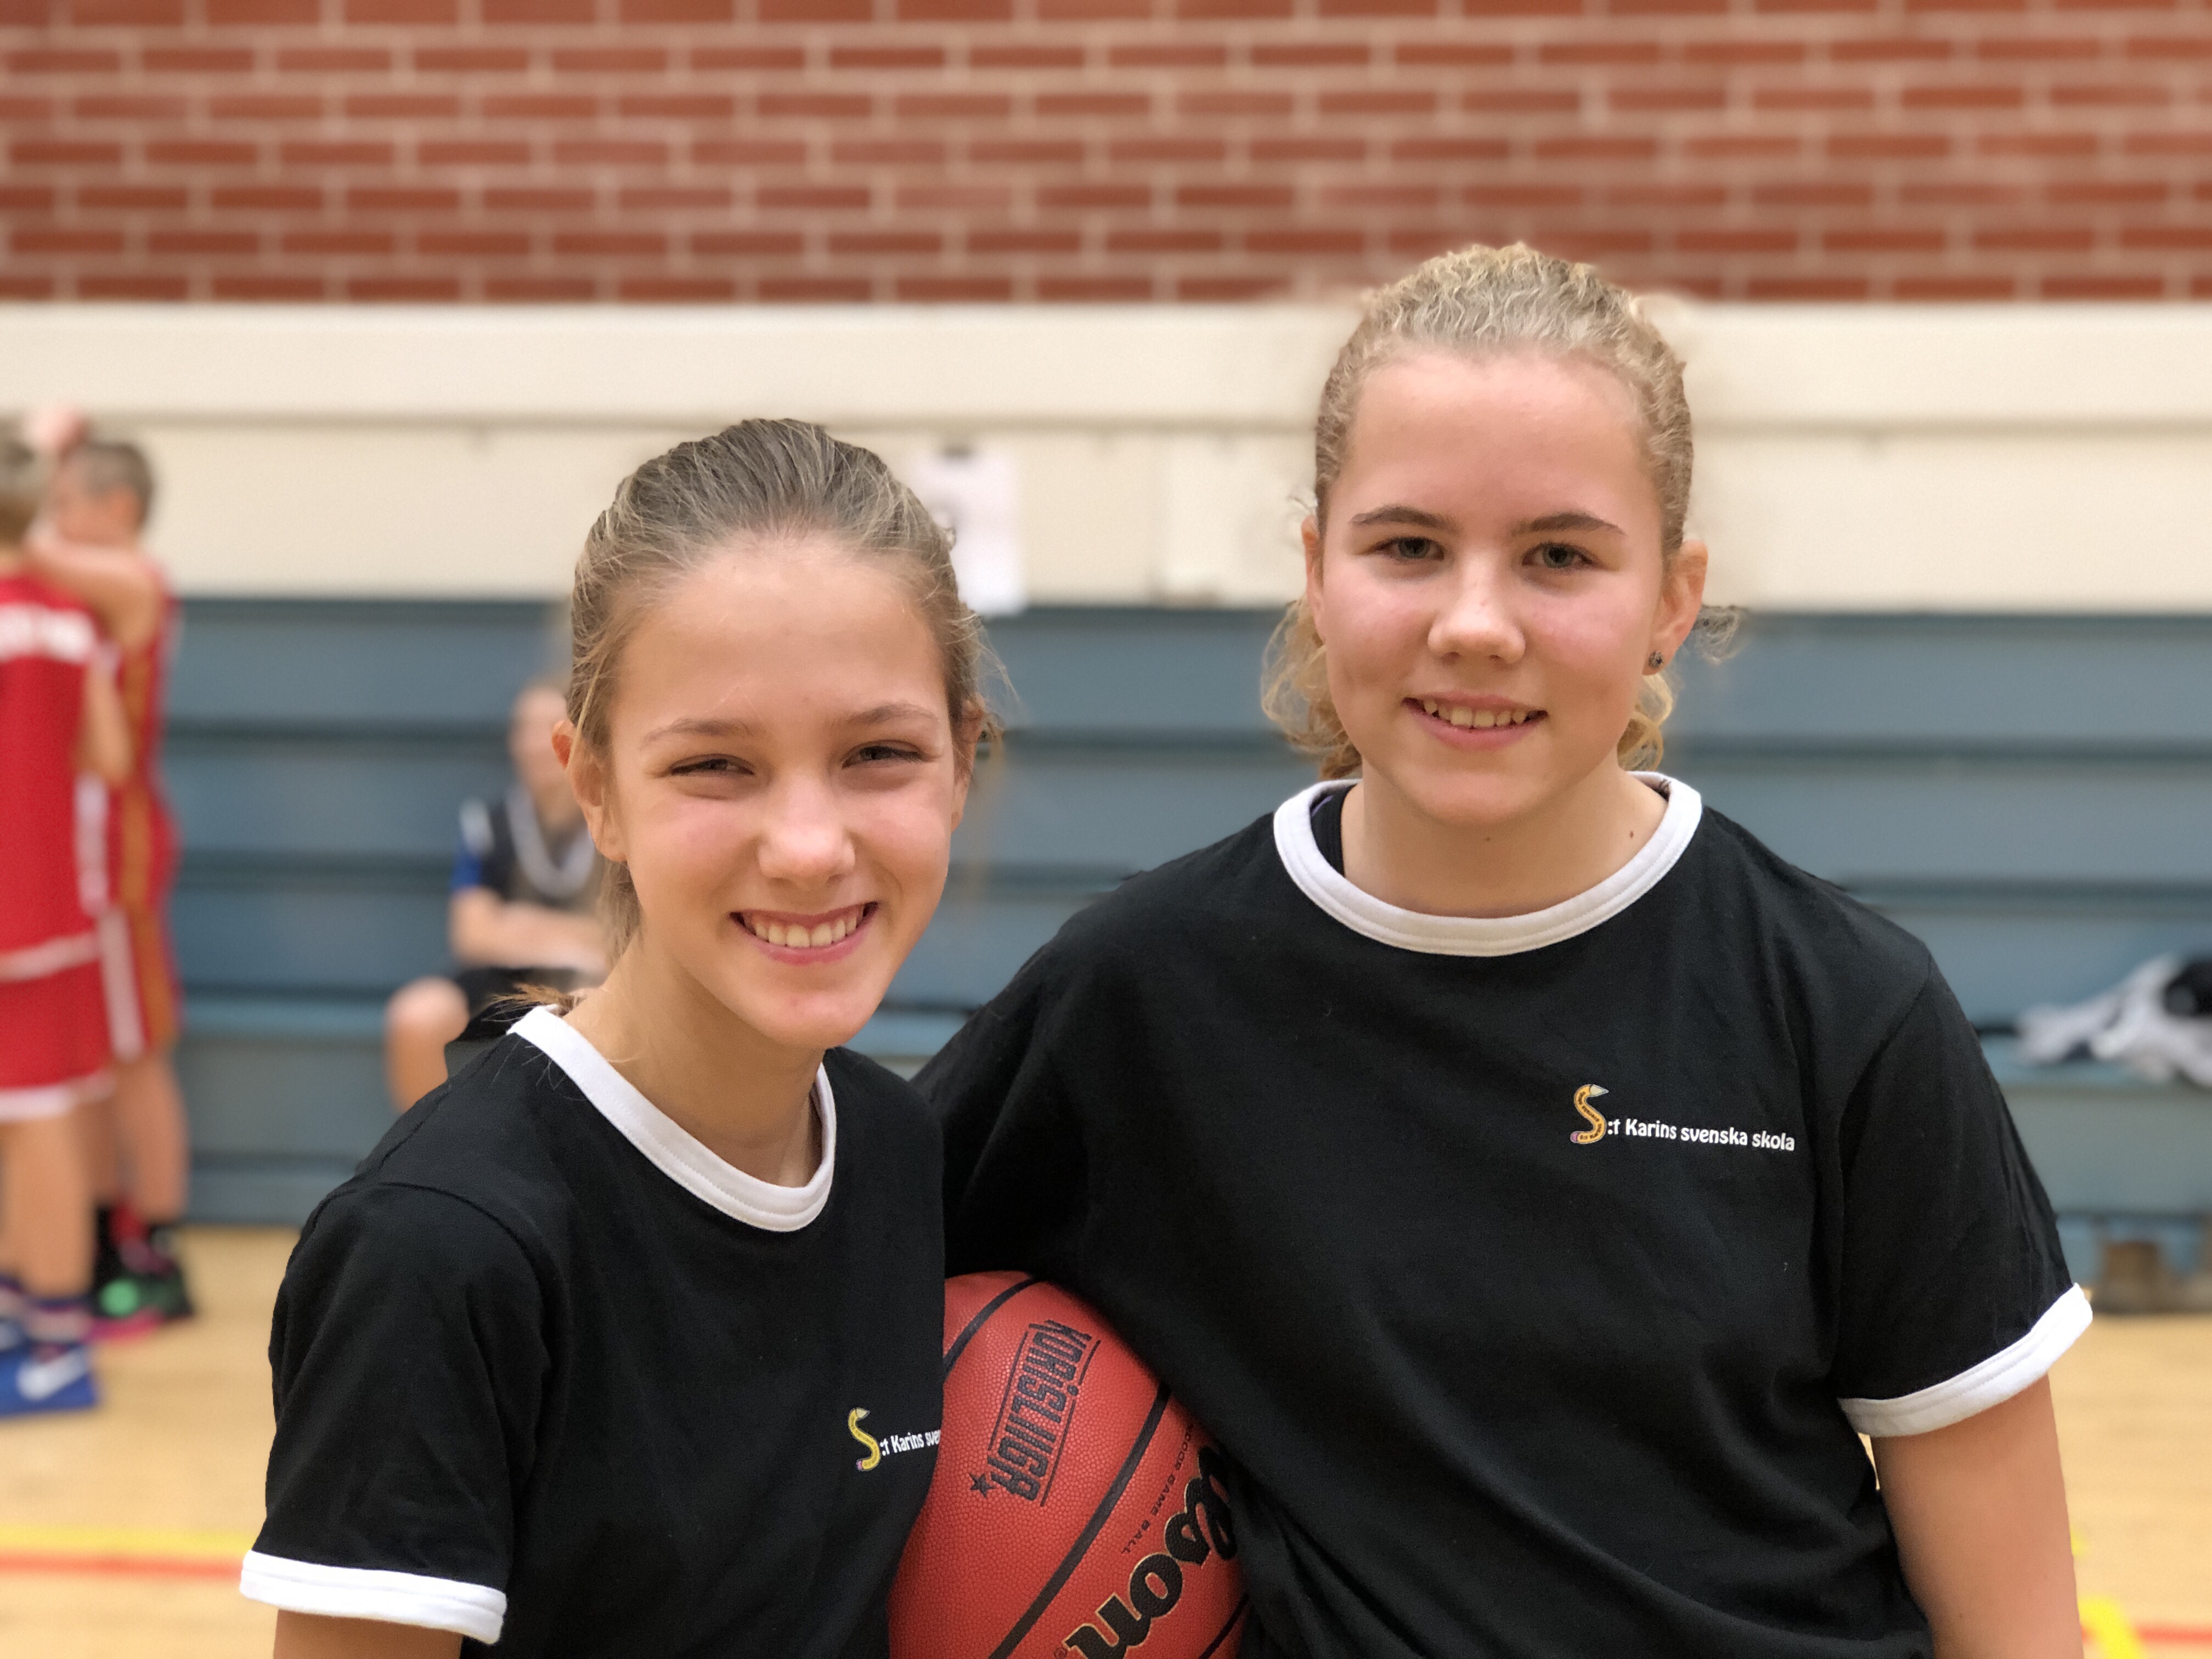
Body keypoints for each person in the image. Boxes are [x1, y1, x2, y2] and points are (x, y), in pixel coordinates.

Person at [922, 246, 2086, 1657]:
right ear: (1316, 570)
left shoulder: (1843, 1008)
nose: (1475, 625)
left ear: (1673, 599)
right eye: (1408, 547)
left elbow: (2017, 1627)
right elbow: (803, 1281)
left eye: (1560, 557)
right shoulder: (1140, 1000)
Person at [242, 421, 992, 1657]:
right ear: (593, 786)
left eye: (879, 753)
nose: (809, 847)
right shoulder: (438, 1249)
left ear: (962, 759)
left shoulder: (896, 1146)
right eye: (716, 764)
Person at [27, 430, 194, 1329]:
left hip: (119, 857)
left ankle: (159, 1250)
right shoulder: (73, 590)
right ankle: (100, 1239)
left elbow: (23, 543)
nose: (53, 520)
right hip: (75, 861)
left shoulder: (135, 580)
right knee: (91, 1061)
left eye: (67, 503)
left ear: (116, 508)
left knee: (133, 1057)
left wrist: (33, 452)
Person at [0, 436, 133, 1417]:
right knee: (30, 1112)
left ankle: (56, 1341)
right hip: (51, 895)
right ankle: (29, 1318)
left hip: (16, 905)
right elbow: (109, 756)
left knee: (35, 1117)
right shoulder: (66, 617)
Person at [382, 679, 607, 1111]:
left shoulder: (609, 822)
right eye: (524, 729)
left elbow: (614, 938)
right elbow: (474, 936)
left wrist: (521, 924)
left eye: (547, 728)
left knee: (590, 1007)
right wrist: (573, 934)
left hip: (585, 978)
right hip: (502, 980)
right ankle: (430, 1143)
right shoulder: (490, 824)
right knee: (416, 1016)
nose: (535, 744)